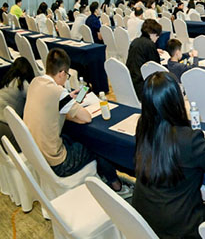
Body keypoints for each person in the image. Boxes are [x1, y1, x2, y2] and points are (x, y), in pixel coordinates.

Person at [133, 72, 205, 239]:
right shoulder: (187, 139)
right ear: (176, 101)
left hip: (145, 214)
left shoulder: (143, 127)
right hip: (181, 226)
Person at [24, 49, 129, 195]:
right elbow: (86, 118)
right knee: (96, 143)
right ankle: (116, 185)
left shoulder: (36, 82)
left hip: (37, 153)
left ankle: (105, 177)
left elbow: (51, 109)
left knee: (75, 135)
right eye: (67, 75)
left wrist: (68, 101)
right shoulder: (57, 92)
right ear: (61, 73)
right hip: (58, 162)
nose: (66, 79)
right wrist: (68, 102)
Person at [0, 58, 34, 149]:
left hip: (2, 123)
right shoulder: (22, 84)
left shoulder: (7, 80)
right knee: (26, 146)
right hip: (5, 126)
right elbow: (37, 98)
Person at [127, 19, 164, 99]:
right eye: (157, 35)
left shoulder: (135, 41)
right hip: (143, 87)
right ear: (152, 33)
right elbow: (156, 68)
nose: (157, 38)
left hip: (130, 83)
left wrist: (154, 50)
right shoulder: (150, 45)